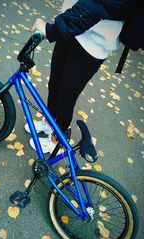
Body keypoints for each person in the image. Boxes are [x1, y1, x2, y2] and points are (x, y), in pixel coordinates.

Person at [24, 0, 136, 153]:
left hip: (94, 42)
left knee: (66, 97)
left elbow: (105, 3)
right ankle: (49, 123)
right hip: (72, 25)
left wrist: (54, 30)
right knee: (55, 83)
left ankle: (57, 139)